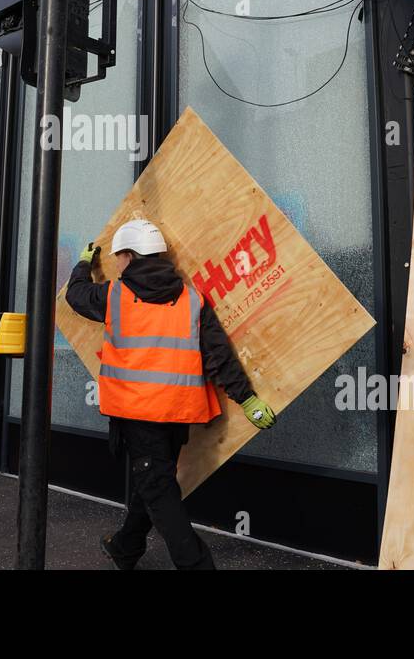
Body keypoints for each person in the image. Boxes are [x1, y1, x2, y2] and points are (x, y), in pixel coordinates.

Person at [64, 218, 276, 570]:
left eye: (119, 256)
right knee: (152, 480)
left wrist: (84, 264)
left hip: (137, 413)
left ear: (130, 256)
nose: (117, 263)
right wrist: (247, 399)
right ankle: (125, 548)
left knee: (159, 491)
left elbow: (75, 296)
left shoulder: (113, 295)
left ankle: (196, 565)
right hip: (178, 413)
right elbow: (218, 354)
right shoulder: (192, 300)